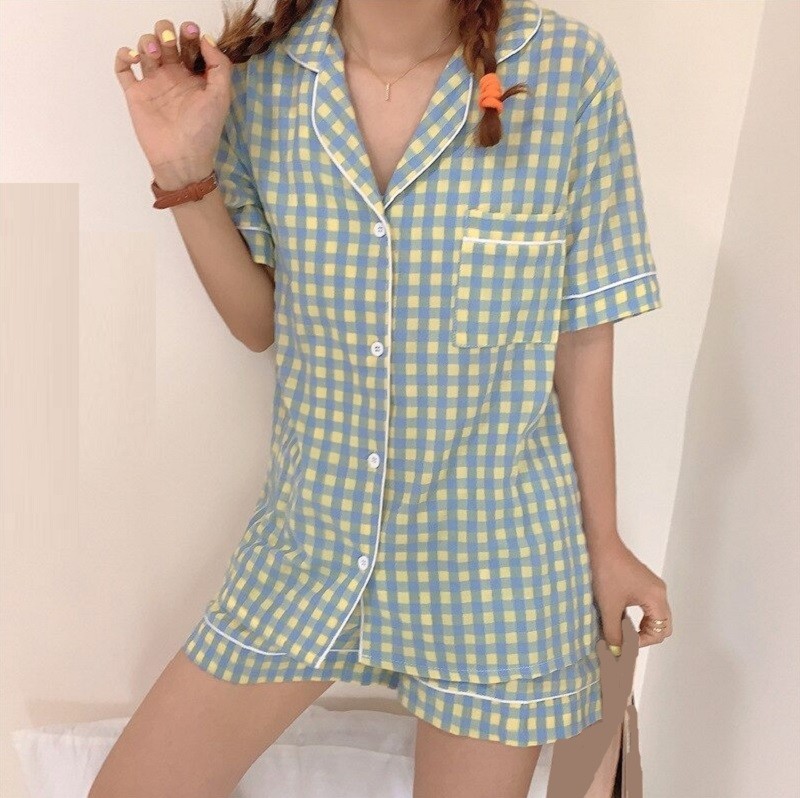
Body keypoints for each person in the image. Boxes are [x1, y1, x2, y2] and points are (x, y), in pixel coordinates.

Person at [98, 1, 673, 795]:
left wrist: (604, 544)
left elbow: (580, 334)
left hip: (497, 566)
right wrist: (180, 168)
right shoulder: (262, 84)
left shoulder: (568, 70)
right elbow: (260, 324)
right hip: (311, 540)